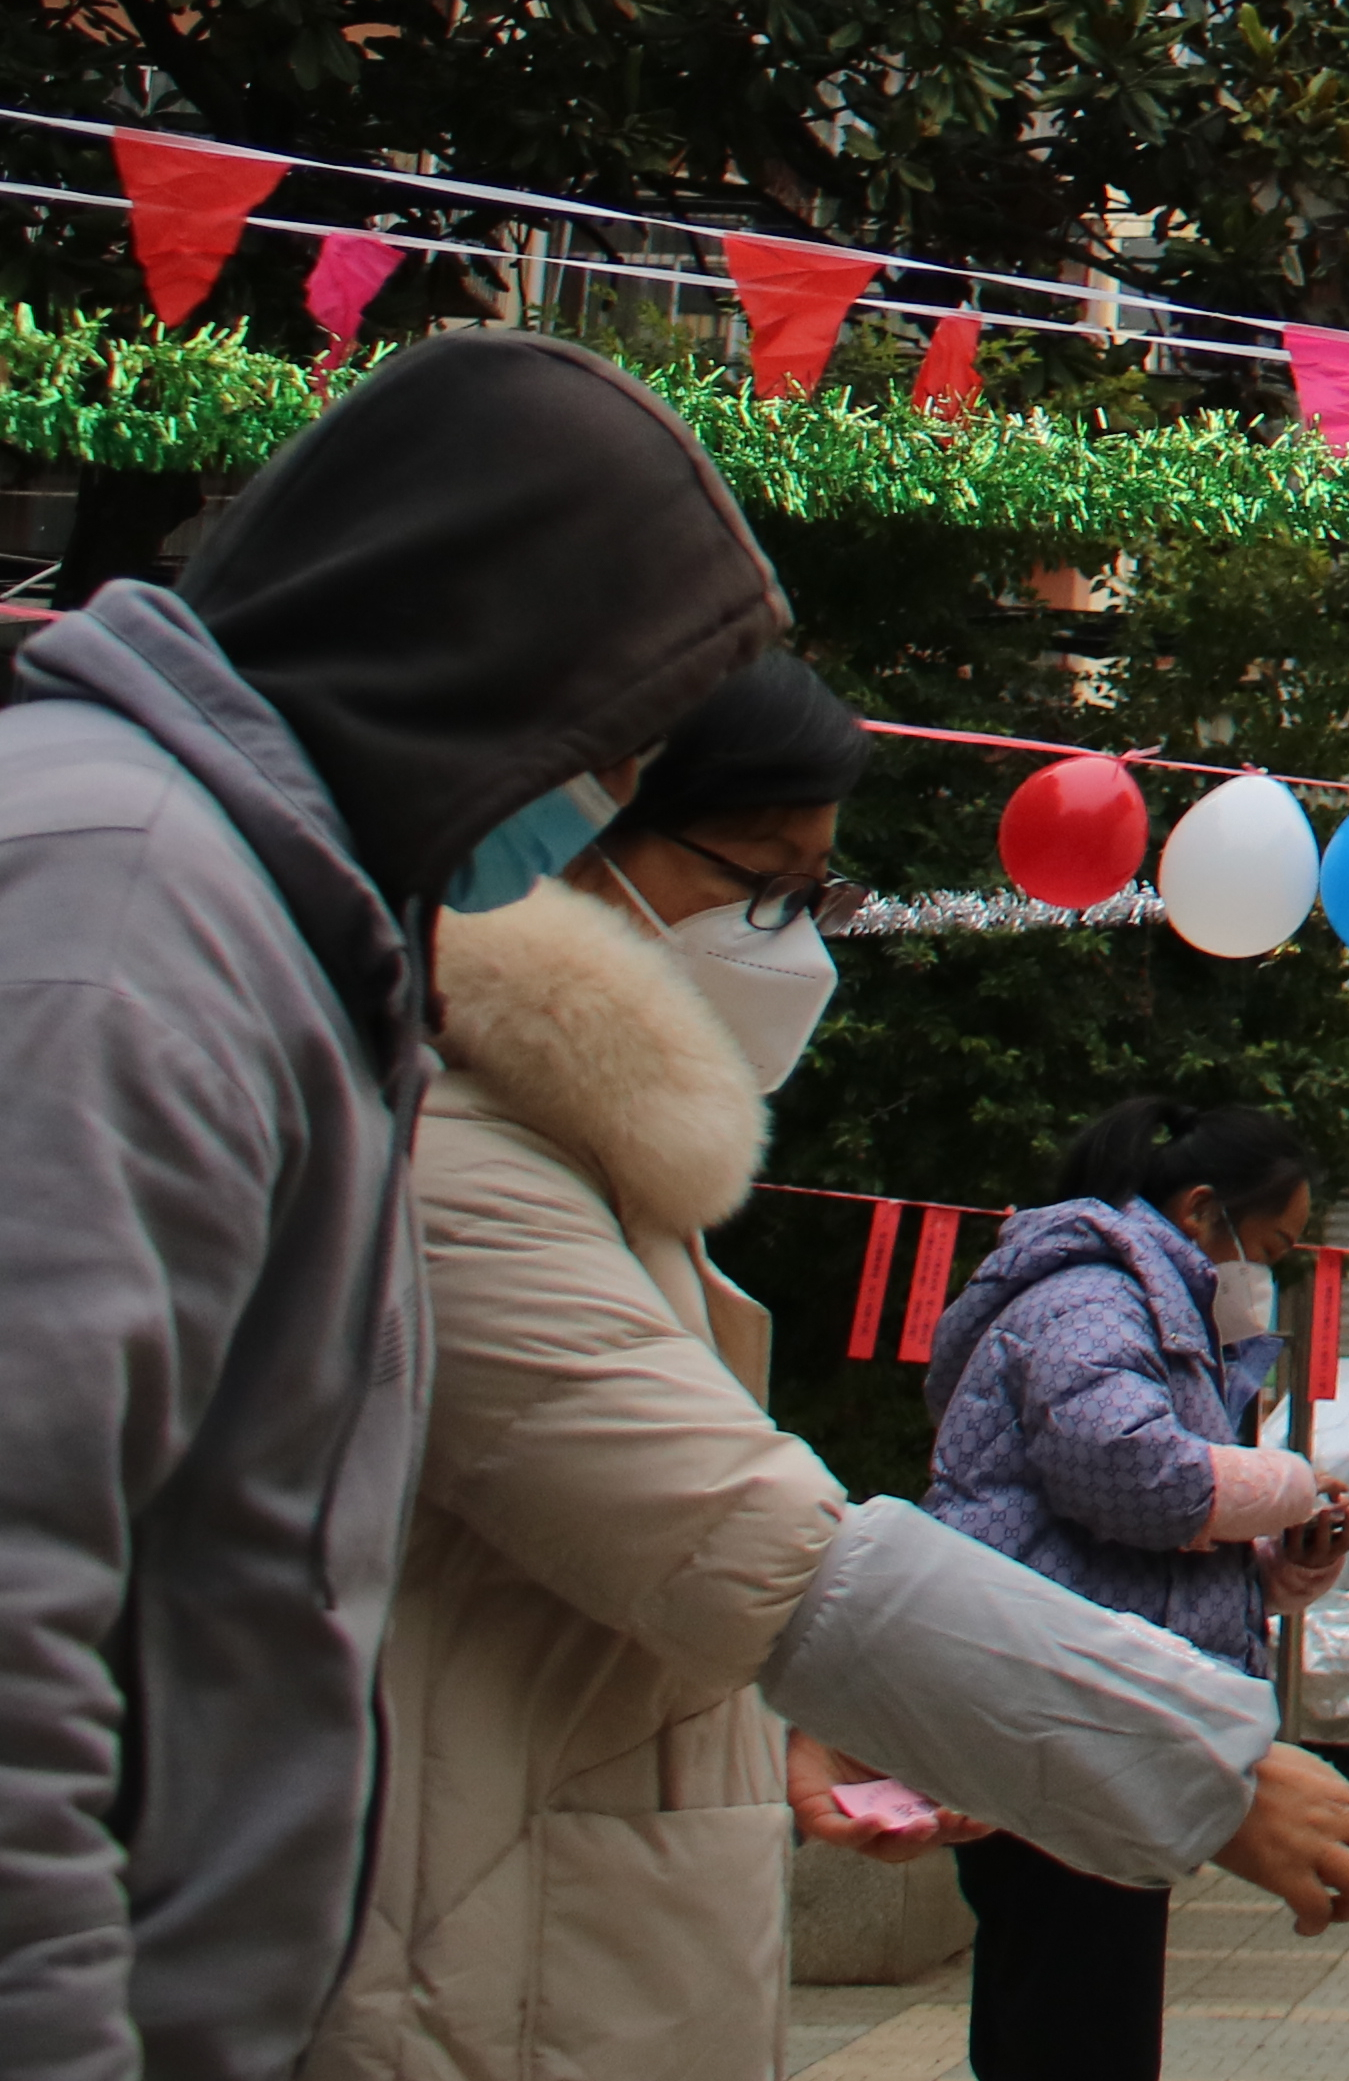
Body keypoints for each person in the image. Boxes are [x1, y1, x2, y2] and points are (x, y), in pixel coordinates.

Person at [312, 656, 1349, 2079]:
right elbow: (760, 1546)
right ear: (576, 841)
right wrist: (1204, 1762)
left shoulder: (591, 1183)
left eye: (816, 894)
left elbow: (637, 1588)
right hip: (484, 1965)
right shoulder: (467, 1176)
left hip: (587, 1919)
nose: (797, 940)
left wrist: (773, 1736)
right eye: (770, 885)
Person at [0, 328, 785, 2081]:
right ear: (476, 647)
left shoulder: (288, 934)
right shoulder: (126, 915)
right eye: (608, 744)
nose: (595, 808)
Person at [928, 1098, 1349, 2081]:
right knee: (1078, 2026)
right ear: (1203, 1209)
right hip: (1062, 1717)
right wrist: (1288, 1484)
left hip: (1089, 1717)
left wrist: (1287, 1559)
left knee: (1059, 2019)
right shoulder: (1092, 1296)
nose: (1273, 1272)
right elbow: (1130, 1472)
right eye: (1273, 1243)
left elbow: (1156, 1546)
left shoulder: (1152, 1313)